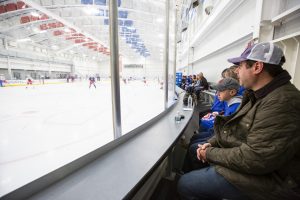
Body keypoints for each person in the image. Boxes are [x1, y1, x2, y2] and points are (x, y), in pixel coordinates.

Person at [177, 42, 300, 200]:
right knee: (196, 153)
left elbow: (257, 159)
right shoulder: (258, 94)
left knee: (185, 185)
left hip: (274, 180)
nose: (236, 71)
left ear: (257, 67)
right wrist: (213, 143)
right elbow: (237, 128)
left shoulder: (282, 102)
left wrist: (209, 153)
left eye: (240, 66)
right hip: (256, 165)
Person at [183, 78, 242, 173]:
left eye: (221, 91)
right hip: (220, 132)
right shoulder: (230, 103)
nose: (217, 94)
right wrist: (218, 115)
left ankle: (193, 173)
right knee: (195, 137)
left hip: (223, 137)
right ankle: (187, 170)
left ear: (232, 92)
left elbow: (230, 131)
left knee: (194, 147)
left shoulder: (236, 106)